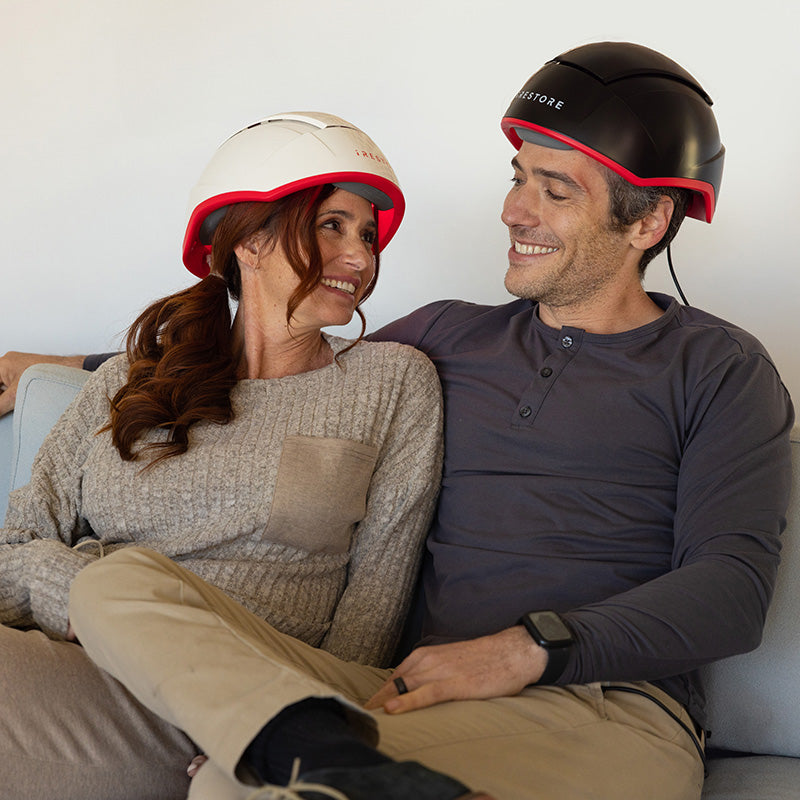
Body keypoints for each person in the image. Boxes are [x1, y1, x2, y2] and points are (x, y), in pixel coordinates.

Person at [8, 41, 797, 800]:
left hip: (607, 707)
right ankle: (290, 737)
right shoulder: (450, 336)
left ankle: (285, 748)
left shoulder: (720, 367)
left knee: (230, 786)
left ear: (648, 222)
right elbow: (272, 352)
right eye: (518, 178)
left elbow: (730, 591)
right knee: (119, 585)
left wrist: (527, 649)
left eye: (555, 192)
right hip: (402, 694)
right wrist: (62, 371)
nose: (513, 210)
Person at [0, 112, 452, 799]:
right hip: (87, 663)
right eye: (332, 225)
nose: (360, 258)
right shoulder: (130, 378)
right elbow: (15, 548)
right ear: (250, 240)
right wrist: (73, 592)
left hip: (255, 699)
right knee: (107, 589)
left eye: (367, 235)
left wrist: (268, 723)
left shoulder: (392, 382)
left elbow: (370, 621)